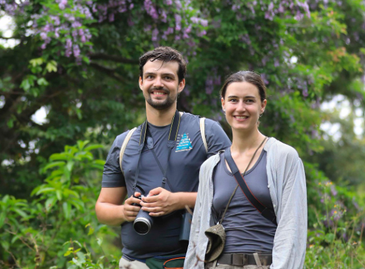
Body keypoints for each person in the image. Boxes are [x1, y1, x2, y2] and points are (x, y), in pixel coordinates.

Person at [96, 47, 231, 269]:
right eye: (151, 76)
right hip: (133, 263)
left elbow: (232, 195)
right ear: (141, 82)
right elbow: (103, 207)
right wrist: (124, 211)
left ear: (181, 84)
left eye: (167, 77)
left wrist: (178, 200)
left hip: (190, 261)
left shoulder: (206, 131)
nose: (158, 83)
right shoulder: (123, 143)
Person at [185, 71, 307, 269]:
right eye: (233, 100)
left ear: (262, 106)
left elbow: (292, 229)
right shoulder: (210, 167)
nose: (240, 108)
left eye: (249, 100)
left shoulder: (284, 157)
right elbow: (199, 233)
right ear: (223, 104)